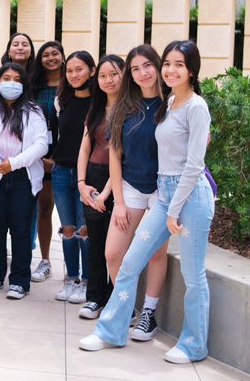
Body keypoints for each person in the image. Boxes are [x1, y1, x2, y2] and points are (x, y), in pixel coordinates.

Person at [80, 40, 214, 365]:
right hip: (166, 193)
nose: (170, 70)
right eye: (167, 63)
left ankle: (195, 345)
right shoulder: (170, 104)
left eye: (178, 64)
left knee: (194, 276)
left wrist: (173, 207)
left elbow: (194, 165)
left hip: (190, 196)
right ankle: (111, 330)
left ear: (192, 70)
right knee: (128, 262)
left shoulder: (196, 106)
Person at [101, 44, 171, 340]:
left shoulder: (173, 105)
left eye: (147, 66)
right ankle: (126, 306)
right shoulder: (124, 106)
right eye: (135, 69)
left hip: (163, 189)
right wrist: (117, 201)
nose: (142, 73)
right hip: (129, 187)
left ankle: (149, 315)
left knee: (155, 254)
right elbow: (114, 155)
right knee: (113, 253)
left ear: (158, 66)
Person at [0, 62, 47, 299]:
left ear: (23, 84)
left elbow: (41, 144)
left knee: (21, 231)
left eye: (16, 79)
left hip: (22, 178)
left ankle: (20, 281)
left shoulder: (33, 111)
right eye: (6, 78)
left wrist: (14, 163)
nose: (11, 83)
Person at [76, 55, 124, 319]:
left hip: (118, 180)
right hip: (93, 176)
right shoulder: (95, 108)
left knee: (114, 247)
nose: (108, 80)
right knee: (95, 243)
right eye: (103, 75)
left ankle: (116, 299)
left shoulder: (130, 109)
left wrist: (107, 191)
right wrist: (82, 184)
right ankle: (94, 298)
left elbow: (121, 157)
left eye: (114, 74)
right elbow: (85, 148)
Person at [51, 50, 95, 304]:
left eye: (79, 69)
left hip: (87, 176)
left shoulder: (99, 103)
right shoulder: (61, 101)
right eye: (69, 70)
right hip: (60, 173)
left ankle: (87, 283)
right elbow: (56, 135)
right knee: (68, 229)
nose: (74, 75)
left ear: (91, 69)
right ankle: (71, 280)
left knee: (85, 229)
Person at [28, 41, 65, 283]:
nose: (50, 58)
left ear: (63, 56)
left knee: (71, 213)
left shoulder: (73, 84)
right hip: (39, 156)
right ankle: (45, 261)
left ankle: (75, 269)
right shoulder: (33, 86)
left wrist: (59, 158)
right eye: (46, 55)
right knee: (44, 208)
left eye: (55, 53)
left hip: (68, 157)